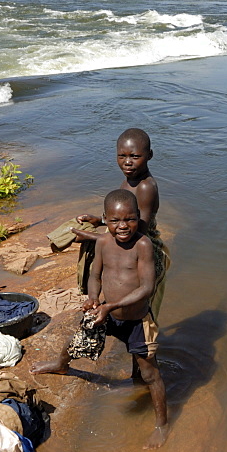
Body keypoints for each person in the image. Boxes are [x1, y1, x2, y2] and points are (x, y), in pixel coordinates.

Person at [31, 190, 169, 449]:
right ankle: (61, 365)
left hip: (136, 320)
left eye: (129, 219)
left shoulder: (143, 245)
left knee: (150, 374)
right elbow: (95, 276)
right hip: (107, 312)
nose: (123, 226)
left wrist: (111, 305)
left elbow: (147, 288)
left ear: (139, 218)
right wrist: (94, 298)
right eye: (115, 220)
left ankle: (161, 423)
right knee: (77, 340)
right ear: (105, 219)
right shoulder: (104, 242)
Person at [73, 128, 170, 318]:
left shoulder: (145, 187)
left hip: (145, 250)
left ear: (149, 155)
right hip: (128, 240)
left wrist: (93, 236)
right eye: (122, 156)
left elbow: (136, 231)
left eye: (135, 156)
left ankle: (143, 340)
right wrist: (100, 221)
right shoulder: (130, 179)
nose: (127, 162)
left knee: (142, 310)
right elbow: (127, 217)